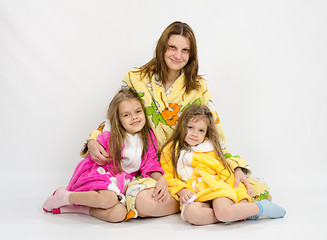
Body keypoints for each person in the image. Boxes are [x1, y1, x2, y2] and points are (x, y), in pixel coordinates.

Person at [84, 21, 271, 218]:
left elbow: (214, 130)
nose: (178, 55)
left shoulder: (198, 87)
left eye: (185, 50)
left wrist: (236, 167)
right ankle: (210, 203)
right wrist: (93, 138)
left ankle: (207, 203)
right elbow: (116, 115)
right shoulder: (135, 78)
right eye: (172, 47)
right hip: (151, 168)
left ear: (191, 55)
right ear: (163, 47)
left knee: (257, 191)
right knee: (142, 202)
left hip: (191, 165)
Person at [42, 88, 168, 222]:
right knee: (109, 199)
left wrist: (160, 179)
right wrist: (92, 142)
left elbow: (150, 164)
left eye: (138, 111)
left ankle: (77, 208)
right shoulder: (111, 135)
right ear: (118, 119)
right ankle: (65, 196)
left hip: (120, 183)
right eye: (126, 115)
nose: (134, 117)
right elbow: (93, 157)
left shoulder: (147, 136)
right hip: (98, 174)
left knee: (118, 214)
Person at [160, 104, 286, 225]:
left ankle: (261, 208)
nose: (194, 134)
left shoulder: (210, 148)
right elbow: (167, 175)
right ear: (182, 125)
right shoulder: (171, 150)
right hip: (196, 193)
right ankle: (240, 213)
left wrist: (241, 195)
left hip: (217, 188)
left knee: (223, 212)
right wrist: (181, 191)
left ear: (206, 133)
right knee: (191, 214)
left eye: (201, 130)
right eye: (190, 127)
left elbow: (226, 174)